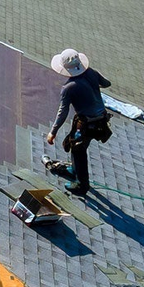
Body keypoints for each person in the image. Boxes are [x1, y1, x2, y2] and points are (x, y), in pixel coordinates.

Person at [45, 48, 111, 196]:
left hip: (87, 123)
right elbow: (107, 83)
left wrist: (52, 132)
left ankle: (82, 185)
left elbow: (63, 112)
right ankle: (74, 170)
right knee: (77, 146)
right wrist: (92, 84)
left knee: (78, 150)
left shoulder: (69, 88)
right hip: (101, 120)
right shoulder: (92, 73)